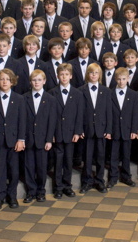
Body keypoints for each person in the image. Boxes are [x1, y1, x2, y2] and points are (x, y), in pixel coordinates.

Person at [0, 69, 26, 210]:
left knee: (14, 171)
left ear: (12, 81)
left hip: (14, 141)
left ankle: (12, 196)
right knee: (0, 170)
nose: (4, 82)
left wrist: (21, 139)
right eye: (2, 79)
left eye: (7, 79)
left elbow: (22, 121)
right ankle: (0, 197)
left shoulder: (19, 99)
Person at [49, 63, 84, 198]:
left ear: (71, 76)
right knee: (58, 161)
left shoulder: (77, 94)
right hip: (57, 132)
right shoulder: (52, 93)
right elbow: (50, 116)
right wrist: (51, 134)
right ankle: (58, 187)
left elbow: (79, 115)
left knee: (68, 160)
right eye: (61, 74)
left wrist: (77, 132)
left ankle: (67, 186)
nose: (64, 77)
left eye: (66, 75)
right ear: (58, 76)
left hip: (70, 132)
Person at [23, 69, 56, 203]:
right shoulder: (24, 98)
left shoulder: (50, 99)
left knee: (42, 166)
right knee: (29, 166)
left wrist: (49, 139)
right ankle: (31, 191)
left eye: (39, 80)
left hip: (43, 139)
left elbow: (52, 121)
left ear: (44, 81)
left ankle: (41, 191)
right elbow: (22, 120)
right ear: (30, 82)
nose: (36, 82)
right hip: (28, 139)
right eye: (34, 80)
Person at [79, 63, 112, 194]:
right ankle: (86, 182)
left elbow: (109, 112)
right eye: (91, 73)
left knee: (100, 157)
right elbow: (79, 112)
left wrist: (109, 130)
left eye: (96, 73)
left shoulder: (106, 91)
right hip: (87, 130)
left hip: (101, 129)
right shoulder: (81, 90)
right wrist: (79, 129)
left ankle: (99, 181)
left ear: (99, 75)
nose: (93, 75)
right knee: (86, 157)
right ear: (88, 74)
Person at [108, 67, 138, 188]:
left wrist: (134, 130)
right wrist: (108, 130)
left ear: (128, 78)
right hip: (114, 129)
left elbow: (135, 114)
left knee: (126, 155)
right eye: (119, 79)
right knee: (114, 155)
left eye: (124, 79)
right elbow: (108, 114)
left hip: (127, 129)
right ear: (115, 79)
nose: (121, 82)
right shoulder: (109, 93)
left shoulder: (134, 94)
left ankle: (126, 177)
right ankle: (113, 178)